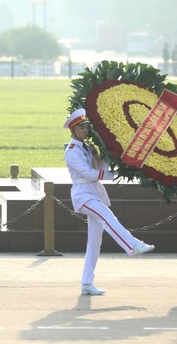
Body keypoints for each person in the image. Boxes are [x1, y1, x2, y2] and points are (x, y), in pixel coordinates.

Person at [63, 108, 155, 296]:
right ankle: (132, 245)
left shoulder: (89, 148)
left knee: (94, 241)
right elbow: (88, 174)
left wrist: (110, 154)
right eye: (81, 127)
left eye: (87, 127)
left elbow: (100, 167)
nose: (85, 130)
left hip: (94, 193)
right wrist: (113, 174)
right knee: (107, 215)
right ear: (72, 130)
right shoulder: (71, 151)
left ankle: (87, 283)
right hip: (82, 195)